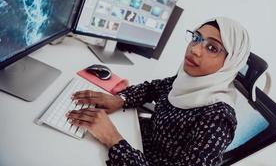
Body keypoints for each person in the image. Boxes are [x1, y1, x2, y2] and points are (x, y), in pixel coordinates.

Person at [66, 17, 251, 165]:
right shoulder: (188, 80)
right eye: (196, 38)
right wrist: (121, 99)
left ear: (230, 63)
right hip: (138, 143)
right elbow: (152, 88)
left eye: (212, 48)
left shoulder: (218, 119)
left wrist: (112, 139)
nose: (195, 50)